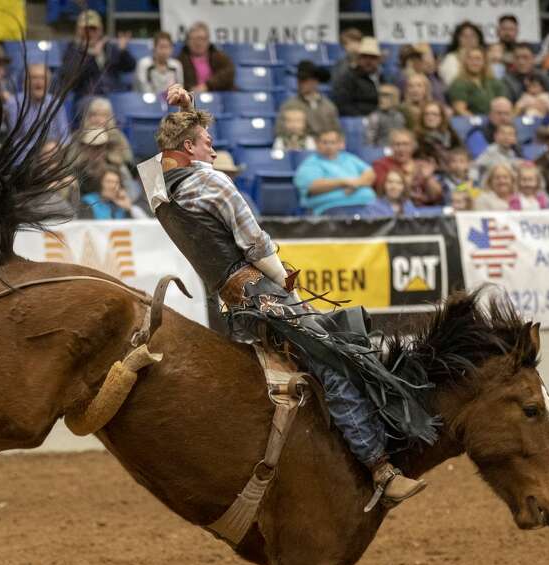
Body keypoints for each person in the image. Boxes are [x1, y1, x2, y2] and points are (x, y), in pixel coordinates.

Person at [142, 83, 431, 506]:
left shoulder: (160, 188)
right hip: (260, 292)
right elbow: (255, 243)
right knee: (335, 358)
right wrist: (282, 274)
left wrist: (189, 110)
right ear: (190, 145)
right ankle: (381, 470)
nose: (215, 152)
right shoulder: (214, 183)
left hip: (231, 301)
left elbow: (172, 151)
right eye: (208, 144)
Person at [293, 128, 376, 216]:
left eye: (333, 142)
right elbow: (312, 186)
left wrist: (356, 184)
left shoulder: (349, 158)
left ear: (340, 144)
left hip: (367, 204)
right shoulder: (310, 164)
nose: (329, 146)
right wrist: (343, 182)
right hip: (332, 207)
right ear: (317, 144)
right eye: (325, 142)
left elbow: (370, 173)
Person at [59, 9, 135, 98]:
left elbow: (130, 66)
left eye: (93, 29)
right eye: (86, 29)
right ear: (78, 31)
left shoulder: (108, 47)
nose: (90, 33)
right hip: (87, 97)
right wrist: (91, 55)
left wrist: (123, 51)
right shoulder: (72, 50)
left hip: (114, 95)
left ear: (100, 30)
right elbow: (71, 77)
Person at [372, 129, 444, 206]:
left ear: (413, 146)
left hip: (424, 209)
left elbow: (436, 196)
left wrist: (428, 178)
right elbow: (385, 192)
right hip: (396, 208)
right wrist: (409, 178)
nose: (401, 149)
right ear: (391, 147)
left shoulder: (421, 165)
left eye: (405, 144)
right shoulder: (381, 165)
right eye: (397, 144)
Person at [8, 63, 69, 143]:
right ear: (25, 82)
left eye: (43, 78)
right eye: (34, 78)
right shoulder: (15, 103)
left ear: (49, 83)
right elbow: (14, 139)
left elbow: (65, 135)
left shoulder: (55, 102)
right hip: (26, 152)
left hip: (53, 150)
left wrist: (57, 149)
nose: (39, 82)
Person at [280, 61, 340, 138]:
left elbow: (337, 131)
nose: (301, 84)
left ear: (315, 81)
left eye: (305, 80)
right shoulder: (289, 106)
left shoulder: (328, 106)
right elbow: (280, 131)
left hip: (325, 146)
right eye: (299, 80)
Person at [447, 46, 508, 116]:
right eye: (470, 59)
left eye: (478, 59)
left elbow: (503, 105)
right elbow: (460, 110)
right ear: (465, 62)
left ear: (484, 62)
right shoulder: (458, 83)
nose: (474, 62)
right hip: (470, 123)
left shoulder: (494, 82)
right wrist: (478, 122)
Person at [177, 20, 234, 93]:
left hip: (219, 97)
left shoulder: (219, 56)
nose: (199, 43)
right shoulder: (180, 61)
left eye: (202, 39)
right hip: (191, 99)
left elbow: (228, 73)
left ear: (208, 40)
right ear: (188, 41)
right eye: (195, 39)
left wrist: (207, 86)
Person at [333, 37, 382, 117]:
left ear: (378, 60)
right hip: (359, 120)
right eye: (364, 56)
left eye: (373, 57)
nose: (368, 61)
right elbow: (343, 105)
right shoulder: (348, 77)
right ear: (358, 59)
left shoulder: (382, 78)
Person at [79, 167, 145, 220]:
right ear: (100, 183)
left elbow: (141, 226)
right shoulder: (88, 202)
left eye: (116, 182)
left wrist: (129, 208)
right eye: (109, 182)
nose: (113, 186)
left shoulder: (121, 205)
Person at [134, 30, 181, 95]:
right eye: (161, 47)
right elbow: (144, 90)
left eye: (167, 47)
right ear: (154, 48)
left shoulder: (176, 65)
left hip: (170, 102)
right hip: (146, 102)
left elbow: (180, 89)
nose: (164, 51)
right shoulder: (144, 64)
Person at [439, 21, 484, 85]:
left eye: (473, 35)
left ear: (479, 38)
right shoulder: (450, 59)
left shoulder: (486, 57)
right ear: (457, 39)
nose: (469, 39)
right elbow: (452, 84)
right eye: (464, 36)